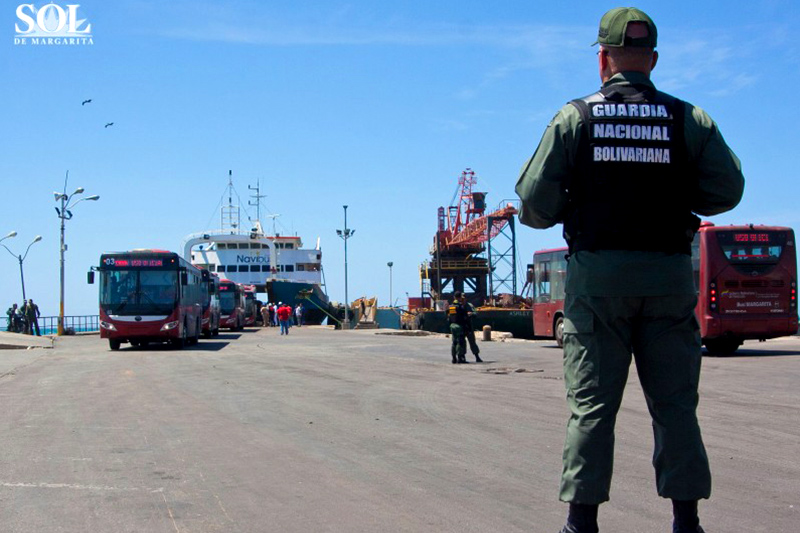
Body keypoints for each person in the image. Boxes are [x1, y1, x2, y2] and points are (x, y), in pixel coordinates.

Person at [515, 8, 744, 533]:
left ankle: (581, 523)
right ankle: (686, 522)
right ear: (653, 60)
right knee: (675, 406)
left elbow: (532, 205)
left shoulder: (575, 118)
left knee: (592, 408)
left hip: (598, 286)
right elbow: (727, 191)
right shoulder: (690, 119)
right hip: (667, 280)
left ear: (602, 61)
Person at [447, 291, 468, 364]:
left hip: (452, 325)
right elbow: (465, 317)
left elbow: (447, 316)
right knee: (460, 342)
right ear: (459, 297)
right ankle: (460, 358)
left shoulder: (451, 306)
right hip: (459, 326)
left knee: (454, 342)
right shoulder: (460, 306)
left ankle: (453, 358)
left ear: (454, 297)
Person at [463, 299, 483, 363]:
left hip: (468, 326)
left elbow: (475, 313)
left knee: (472, 342)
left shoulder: (469, 305)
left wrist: (471, 313)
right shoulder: (457, 306)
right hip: (461, 326)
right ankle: (461, 357)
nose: (463, 300)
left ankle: (477, 357)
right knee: (461, 343)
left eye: (464, 299)